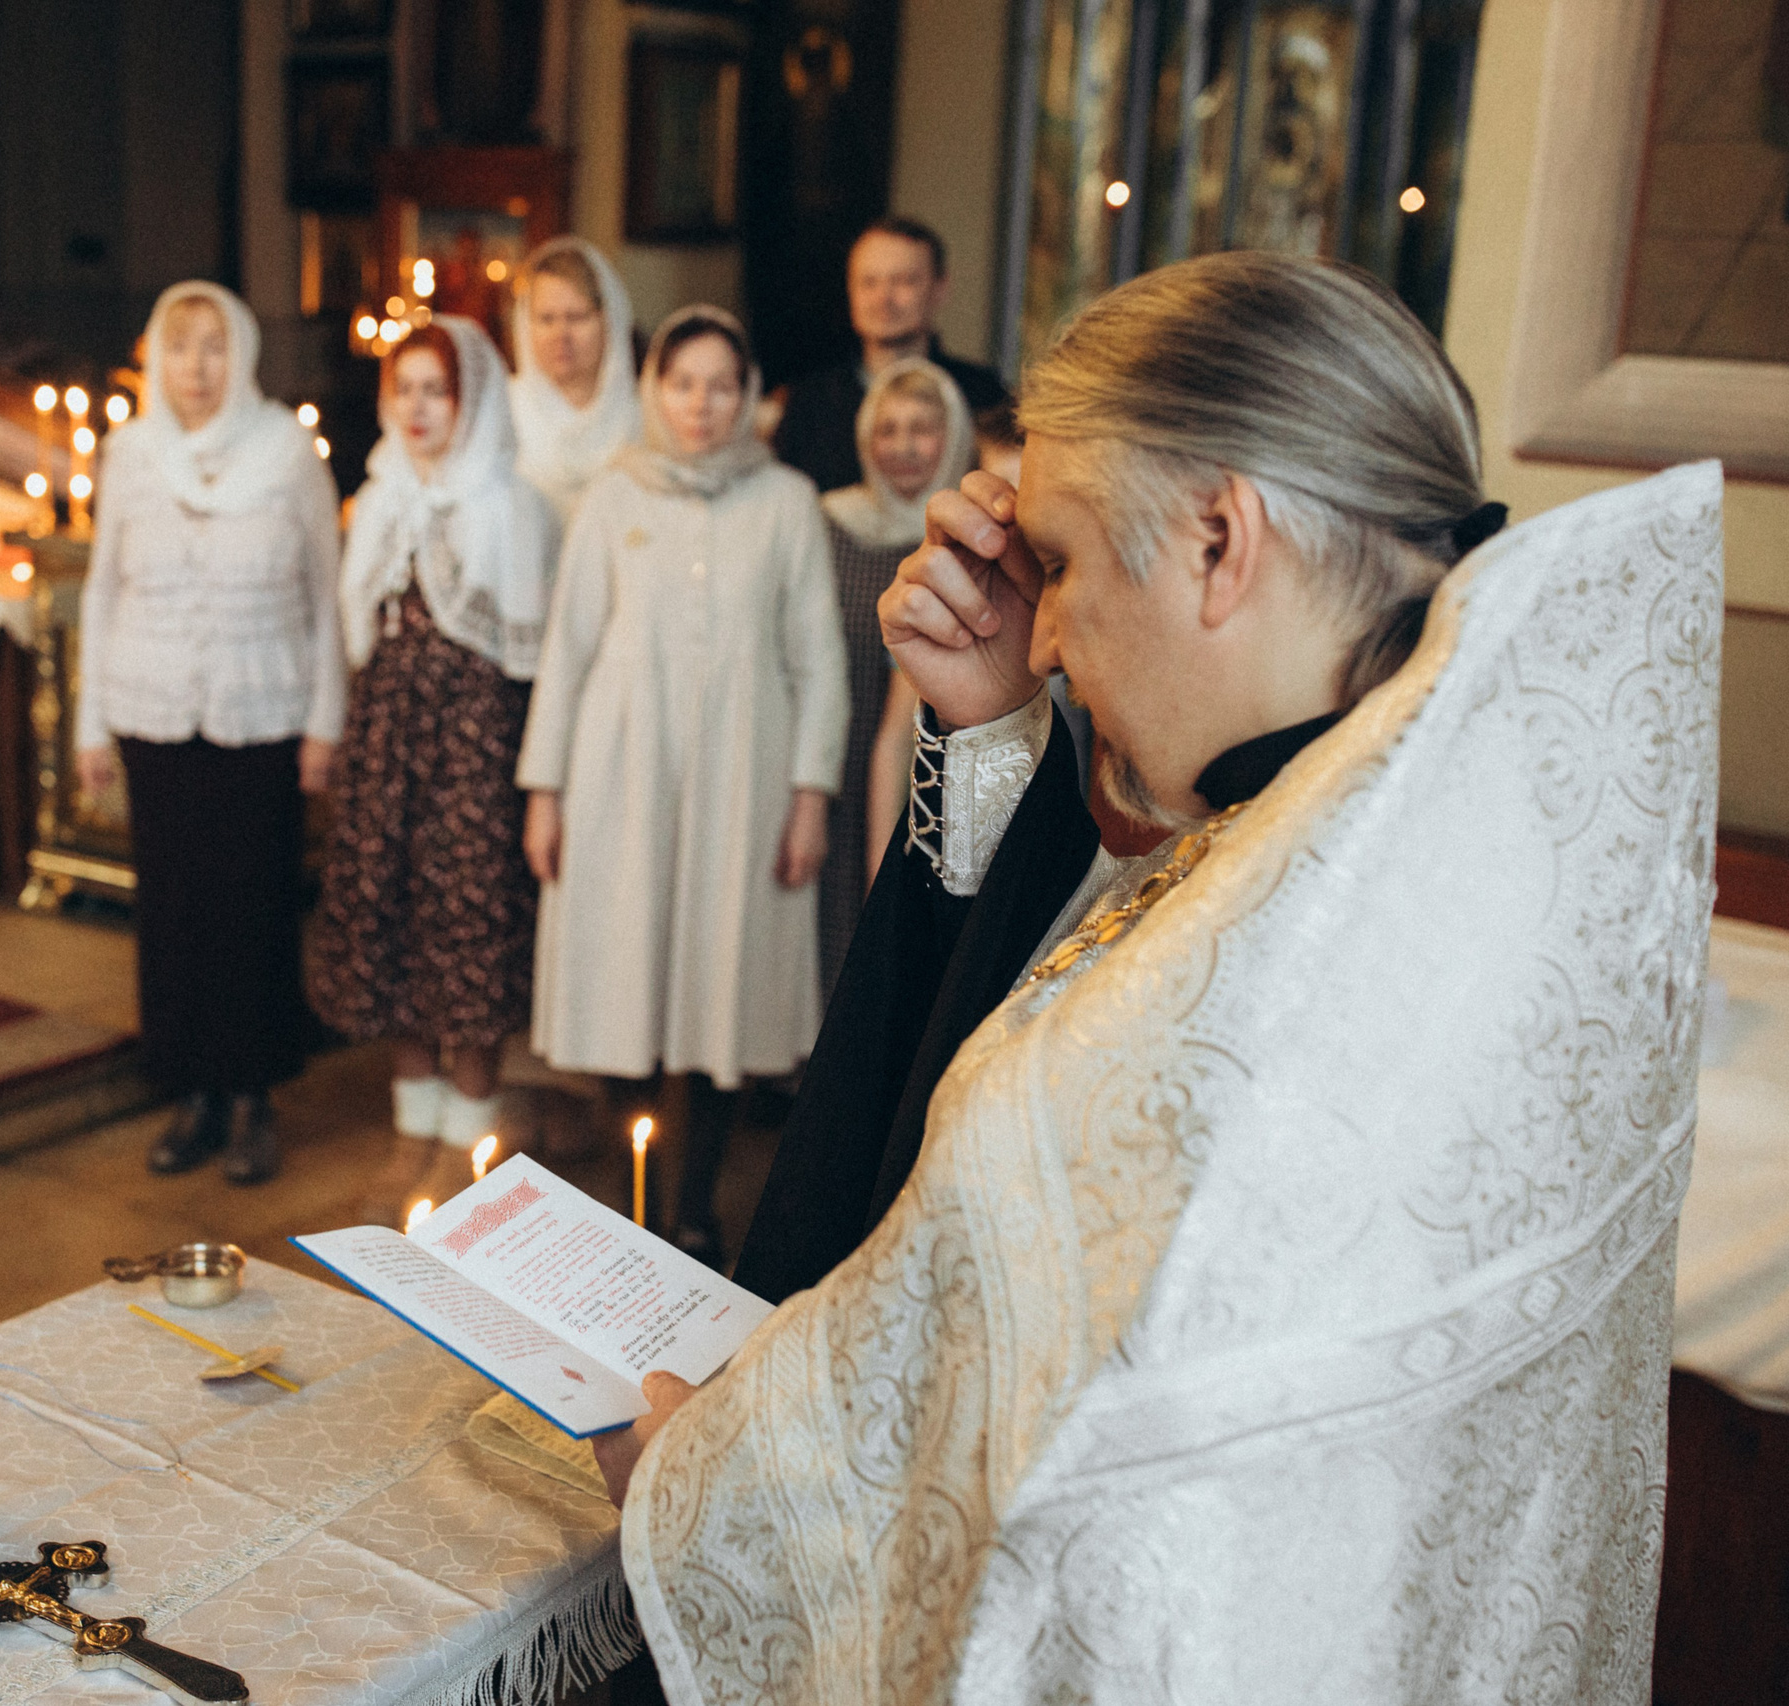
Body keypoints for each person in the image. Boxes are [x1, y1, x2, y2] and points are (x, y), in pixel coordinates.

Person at [591, 251, 1718, 1701]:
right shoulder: (1406, 828)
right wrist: (998, 726)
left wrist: (695, 1487)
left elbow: (996, 1392)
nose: (1044, 633)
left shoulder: (1287, 975)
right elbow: (1071, 960)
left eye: (1057, 563)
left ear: (1218, 540)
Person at [518, 305, 848, 1258]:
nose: (701, 403)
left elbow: (817, 659)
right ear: (655, 390)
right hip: (621, 769)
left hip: (746, 772)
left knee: (722, 981)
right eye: (682, 382)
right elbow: (569, 648)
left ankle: (696, 1206)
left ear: (748, 395)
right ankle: (637, 1201)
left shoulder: (786, 501)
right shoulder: (613, 498)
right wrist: (544, 792)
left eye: (721, 384)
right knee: (628, 976)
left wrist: (809, 797)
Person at [77, 281, 342, 1185]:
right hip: (154, 716)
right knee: (176, 915)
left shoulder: (286, 451)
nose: (196, 367)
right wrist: (89, 726)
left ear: (243, 354)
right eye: (180, 346)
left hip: (262, 714)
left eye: (214, 346)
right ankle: (192, 1095)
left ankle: (254, 1098)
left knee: (254, 911)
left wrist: (325, 723)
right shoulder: (130, 453)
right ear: (156, 355)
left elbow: (325, 594)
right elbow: (102, 589)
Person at [309, 318, 559, 1221]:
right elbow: (355, 633)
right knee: (394, 923)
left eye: (436, 390)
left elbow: (532, 658)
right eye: (403, 388)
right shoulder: (376, 498)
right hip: (387, 742)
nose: (416, 408)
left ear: (473, 400)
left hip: (473, 749)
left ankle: (467, 1140)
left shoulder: (511, 505)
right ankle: (411, 1129)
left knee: (466, 932)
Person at [816, 357, 973, 995]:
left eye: (922, 429)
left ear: (953, 436)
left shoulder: (968, 536)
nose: (903, 447)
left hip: (929, 766)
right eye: (888, 430)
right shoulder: (826, 523)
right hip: (834, 757)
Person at [770, 216, 1006, 495]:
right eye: (869, 282)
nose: (883, 297)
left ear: (940, 289)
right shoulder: (809, 403)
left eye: (903, 281)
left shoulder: (983, 397)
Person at [505, 237, 640, 521]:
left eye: (577, 317)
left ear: (609, 321)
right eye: (546, 319)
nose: (560, 335)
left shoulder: (643, 416)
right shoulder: (501, 411)